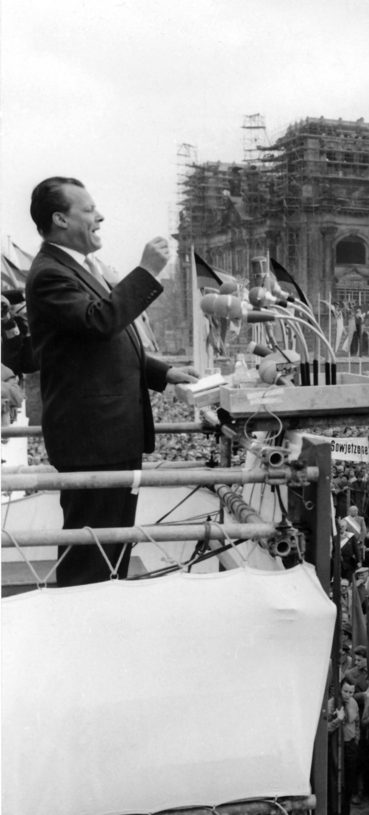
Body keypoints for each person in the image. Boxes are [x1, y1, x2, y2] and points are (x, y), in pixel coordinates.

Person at [25, 177, 196, 585]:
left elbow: (109, 338)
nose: (99, 216)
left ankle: (102, 627)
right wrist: (147, 272)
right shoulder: (51, 273)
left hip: (110, 436)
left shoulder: (80, 268)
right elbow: (100, 322)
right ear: (61, 218)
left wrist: (164, 372)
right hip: (92, 442)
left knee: (112, 550)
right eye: (89, 209)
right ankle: (82, 637)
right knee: (91, 556)